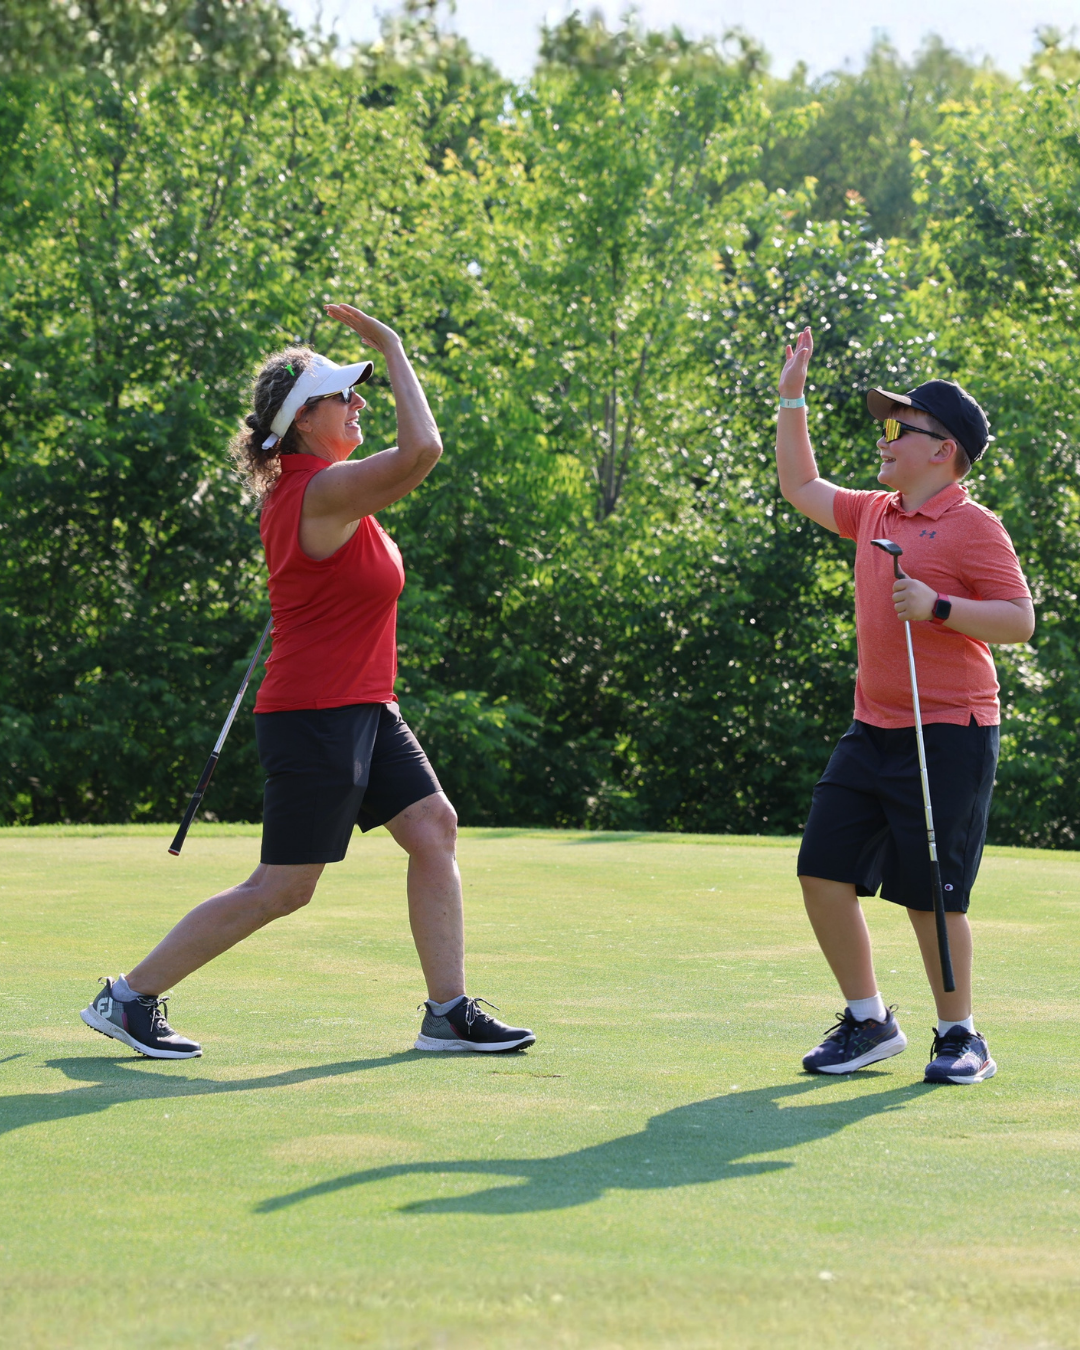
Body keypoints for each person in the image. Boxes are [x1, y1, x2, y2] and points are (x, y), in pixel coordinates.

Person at [81, 303, 534, 1059]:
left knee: (434, 827)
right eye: (342, 395)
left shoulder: (329, 487)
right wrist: (392, 347)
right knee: (284, 888)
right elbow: (424, 449)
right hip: (316, 714)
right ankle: (128, 998)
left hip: (366, 708)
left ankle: (448, 1012)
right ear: (301, 419)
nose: (359, 403)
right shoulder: (317, 492)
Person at [775, 326, 1034, 1085]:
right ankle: (869, 1023)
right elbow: (800, 486)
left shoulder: (974, 526)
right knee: (822, 871)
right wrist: (791, 399)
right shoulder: (874, 512)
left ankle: (960, 1036)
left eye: (899, 429)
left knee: (932, 898)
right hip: (873, 727)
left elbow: (1019, 620)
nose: (883, 439)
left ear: (943, 449)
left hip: (950, 732)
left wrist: (939, 606)